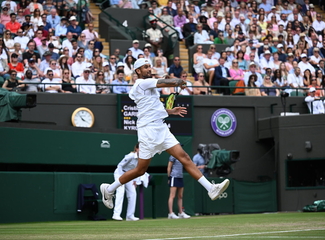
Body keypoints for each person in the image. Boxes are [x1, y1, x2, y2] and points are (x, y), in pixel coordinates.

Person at [99, 58, 230, 210]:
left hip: (161, 128)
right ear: (138, 71)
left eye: (149, 66)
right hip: (147, 131)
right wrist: (177, 81)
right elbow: (166, 83)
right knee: (140, 170)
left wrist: (170, 111)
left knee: (184, 157)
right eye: (145, 67)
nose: (149, 68)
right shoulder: (142, 83)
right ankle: (108, 189)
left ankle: (210, 188)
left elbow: (152, 107)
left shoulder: (149, 87)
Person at [112, 144, 141, 221]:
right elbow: (120, 165)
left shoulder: (142, 159)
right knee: (120, 192)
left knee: (133, 194)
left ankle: (130, 216)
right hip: (120, 174)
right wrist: (121, 179)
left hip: (129, 176)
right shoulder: (130, 156)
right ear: (136, 149)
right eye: (140, 149)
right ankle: (116, 214)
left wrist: (135, 180)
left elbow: (138, 170)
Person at [167, 155, 191, 219]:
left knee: (180, 196)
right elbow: (169, 167)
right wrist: (169, 178)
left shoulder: (182, 156)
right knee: (172, 195)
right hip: (174, 177)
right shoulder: (172, 156)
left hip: (180, 177)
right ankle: (171, 213)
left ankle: (181, 213)